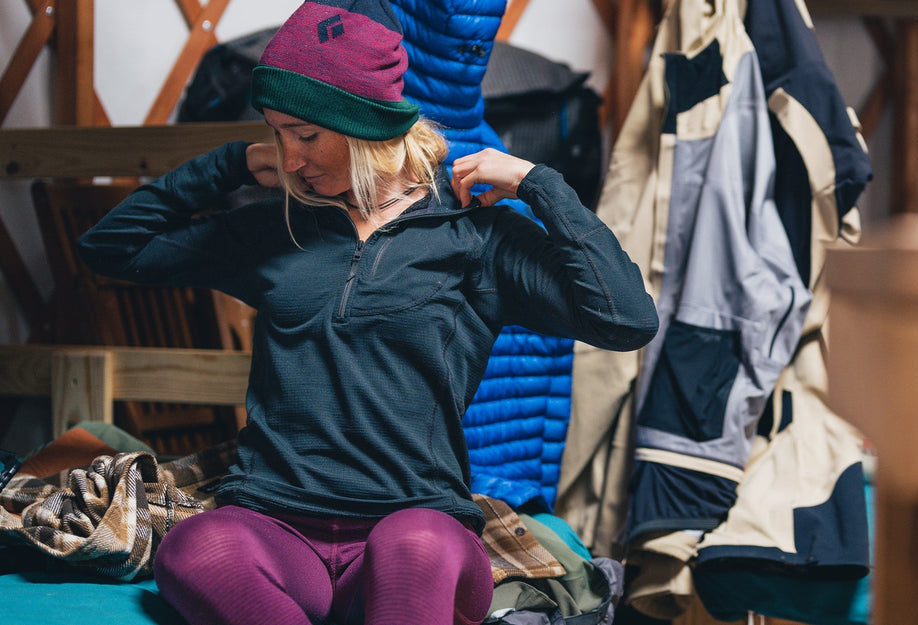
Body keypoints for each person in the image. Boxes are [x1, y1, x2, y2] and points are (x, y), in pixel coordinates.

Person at [75, 1, 658, 624]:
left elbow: (624, 320)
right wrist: (229, 165)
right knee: (196, 547)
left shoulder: (474, 239)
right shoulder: (278, 229)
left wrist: (540, 185)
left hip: (414, 524)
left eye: (306, 135)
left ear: (368, 126)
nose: (289, 158)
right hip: (276, 523)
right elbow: (109, 248)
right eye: (277, 132)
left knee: (413, 544)